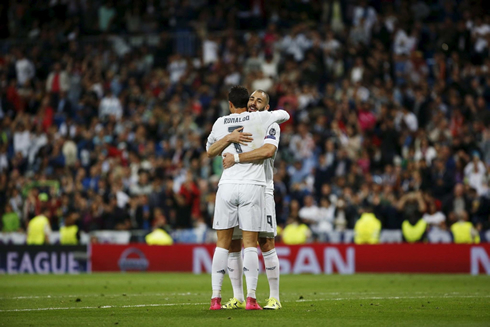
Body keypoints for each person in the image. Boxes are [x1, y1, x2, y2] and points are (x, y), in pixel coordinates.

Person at [206, 86, 290, 310]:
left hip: (263, 188)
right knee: (234, 244)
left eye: (259, 101)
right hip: (242, 187)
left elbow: (267, 151)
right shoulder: (241, 121)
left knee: (266, 242)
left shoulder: (269, 123)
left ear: (267, 106)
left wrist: (236, 157)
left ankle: (274, 297)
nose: (254, 103)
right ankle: (239, 297)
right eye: (251, 99)